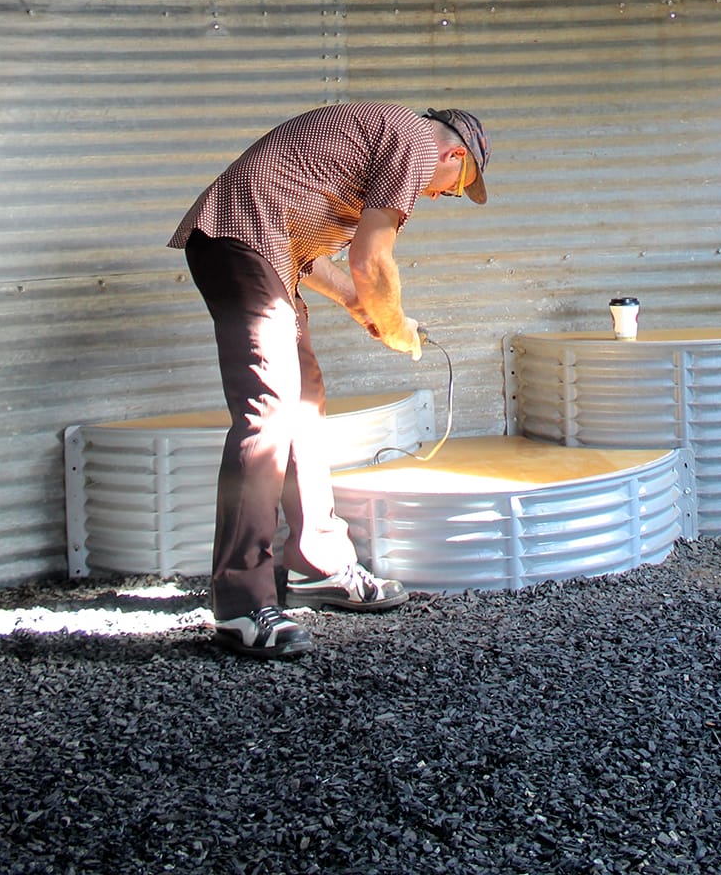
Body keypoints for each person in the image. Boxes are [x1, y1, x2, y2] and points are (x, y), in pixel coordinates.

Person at [169, 101, 491, 660]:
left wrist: (354, 303)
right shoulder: (413, 142)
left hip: (262, 246)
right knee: (268, 409)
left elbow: (304, 249)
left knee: (303, 397)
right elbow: (372, 259)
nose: (439, 196)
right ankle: (241, 603)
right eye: (453, 186)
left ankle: (317, 562)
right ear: (454, 154)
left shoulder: (375, 144)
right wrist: (392, 325)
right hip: (236, 240)